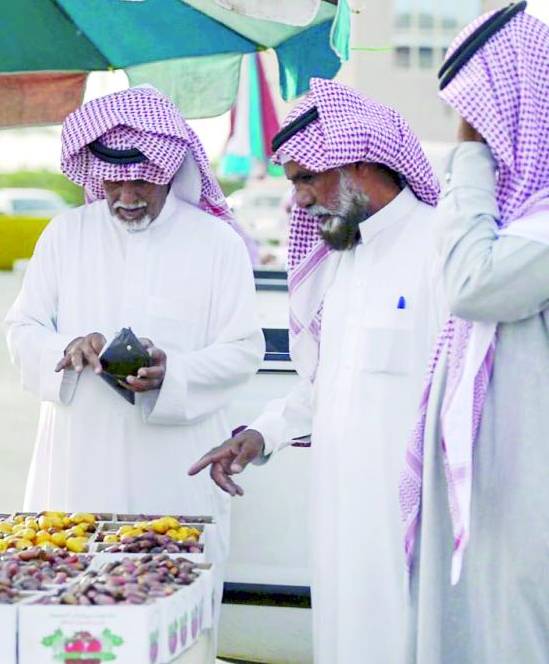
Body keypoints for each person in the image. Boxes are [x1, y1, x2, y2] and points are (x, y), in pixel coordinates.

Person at [190, 79, 446, 664]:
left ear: (358, 161)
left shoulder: (439, 246)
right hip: (338, 511)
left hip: (409, 522)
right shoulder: (343, 255)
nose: (298, 200)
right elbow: (326, 385)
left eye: (307, 177)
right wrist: (263, 433)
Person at [5, 85, 263, 576]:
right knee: (74, 593)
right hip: (79, 458)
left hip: (174, 465)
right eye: (112, 183)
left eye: (141, 182)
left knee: (170, 599)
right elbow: (22, 328)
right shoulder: (65, 234)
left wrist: (174, 371)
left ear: (169, 170)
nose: (125, 197)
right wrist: (68, 346)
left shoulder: (216, 243)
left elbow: (243, 350)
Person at [400, 4, 549, 662]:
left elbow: (472, 280)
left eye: (478, 109)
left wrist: (468, 150)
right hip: (498, 481)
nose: (469, 128)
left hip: (527, 477)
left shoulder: (536, 227)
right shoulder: (512, 221)